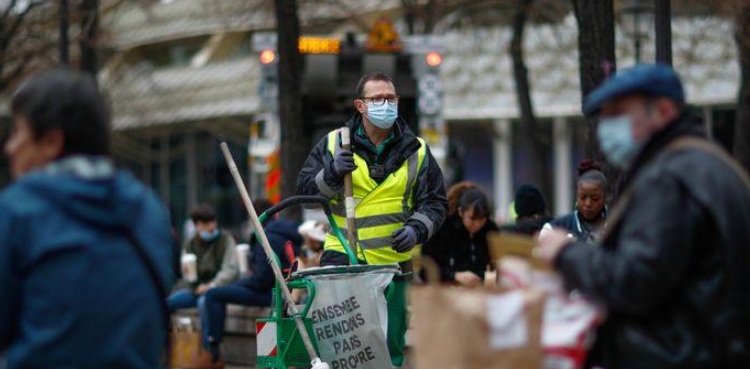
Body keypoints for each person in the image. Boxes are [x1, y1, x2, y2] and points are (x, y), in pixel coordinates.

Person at [537, 64, 750, 369]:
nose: (606, 128)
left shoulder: (668, 178)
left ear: (662, 110)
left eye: (618, 115)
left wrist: (564, 253)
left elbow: (633, 281)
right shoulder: (711, 165)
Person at [0, 68, 175, 368]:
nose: (9, 147)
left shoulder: (18, 211)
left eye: (17, 132)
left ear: (52, 142)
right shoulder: (148, 209)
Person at [296, 72, 448, 367]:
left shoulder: (417, 150)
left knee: (389, 349)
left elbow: (436, 202)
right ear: (360, 105)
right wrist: (330, 174)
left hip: (395, 264)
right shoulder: (333, 145)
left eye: (391, 98)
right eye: (377, 98)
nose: (386, 104)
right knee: (344, 350)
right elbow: (304, 194)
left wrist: (417, 229)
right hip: (344, 261)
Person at [200, 199, 302, 364]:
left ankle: (213, 351)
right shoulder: (289, 232)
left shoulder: (265, 237)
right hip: (287, 290)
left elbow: (261, 279)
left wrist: (244, 280)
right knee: (225, 290)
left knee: (213, 294)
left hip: (272, 293)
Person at [167, 203, 239, 314]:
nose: (211, 227)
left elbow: (230, 268)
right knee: (168, 303)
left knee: (204, 303)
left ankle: (207, 332)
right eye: (206, 223)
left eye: (213, 222)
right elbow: (188, 276)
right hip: (197, 291)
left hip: (219, 289)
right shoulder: (190, 243)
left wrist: (212, 285)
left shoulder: (225, 239)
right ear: (198, 225)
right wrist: (188, 275)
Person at [422, 183, 498, 286]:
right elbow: (426, 269)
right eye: (472, 218)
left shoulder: (490, 230)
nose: (477, 224)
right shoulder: (441, 228)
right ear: (461, 212)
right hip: (445, 291)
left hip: (480, 292)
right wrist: (454, 275)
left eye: (482, 219)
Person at [542, 160, 608, 243]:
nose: (588, 204)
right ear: (576, 196)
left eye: (595, 198)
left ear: (605, 198)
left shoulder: (620, 226)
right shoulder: (554, 228)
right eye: (582, 197)